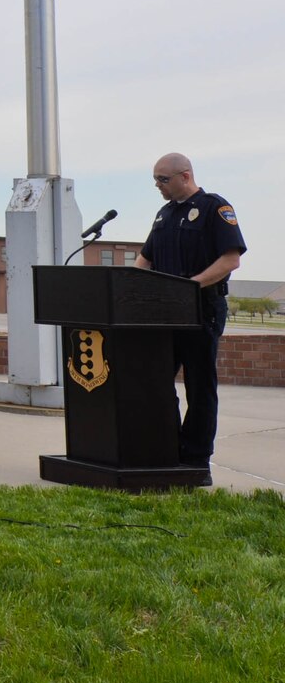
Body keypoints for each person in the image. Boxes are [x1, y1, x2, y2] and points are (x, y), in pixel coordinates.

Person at [138, 152, 248, 471]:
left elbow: (230, 259)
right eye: (155, 180)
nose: (158, 185)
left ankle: (196, 458)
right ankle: (168, 445)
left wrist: (190, 286)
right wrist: (133, 287)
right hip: (166, 312)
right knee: (156, 379)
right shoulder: (164, 215)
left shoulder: (215, 208)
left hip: (202, 308)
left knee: (199, 386)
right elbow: (145, 259)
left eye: (163, 179)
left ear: (185, 176)